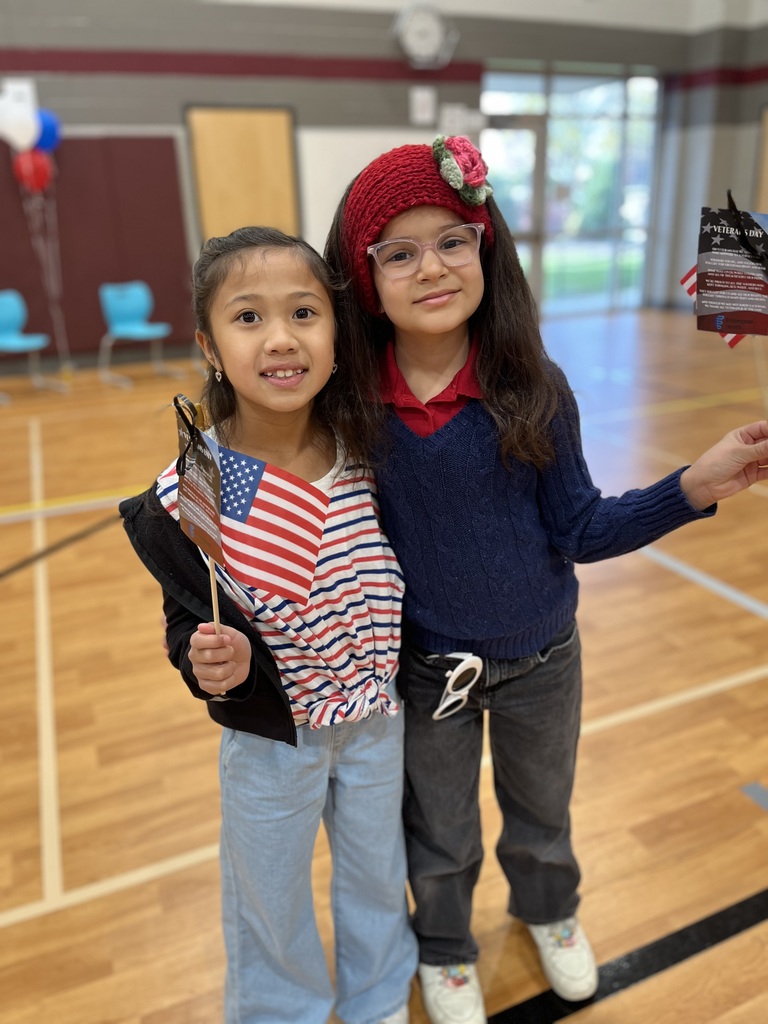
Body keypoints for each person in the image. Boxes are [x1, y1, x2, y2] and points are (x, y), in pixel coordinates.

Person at [323, 136, 768, 1024]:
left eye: (452, 240)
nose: (432, 268)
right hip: (427, 674)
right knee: (439, 833)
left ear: (487, 246)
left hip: (542, 662)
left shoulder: (536, 386)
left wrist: (688, 488)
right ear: (362, 277)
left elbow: (580, 527)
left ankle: (549, 912)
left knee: (542, 813)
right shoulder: (350, 404)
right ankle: (446, 948)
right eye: (399, 253)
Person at [119, 226, 418, 1024]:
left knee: (376, 873)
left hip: (376, 721)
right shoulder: (198, 485)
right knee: (268, 895)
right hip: (269, 744)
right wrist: (203, 658)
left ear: (335, 331)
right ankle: (281, 1010)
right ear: (210, 347)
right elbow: (188, 621)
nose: (281, 339)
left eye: (304, 313)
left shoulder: (370, 448)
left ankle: (381, 996)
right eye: (248, 318)